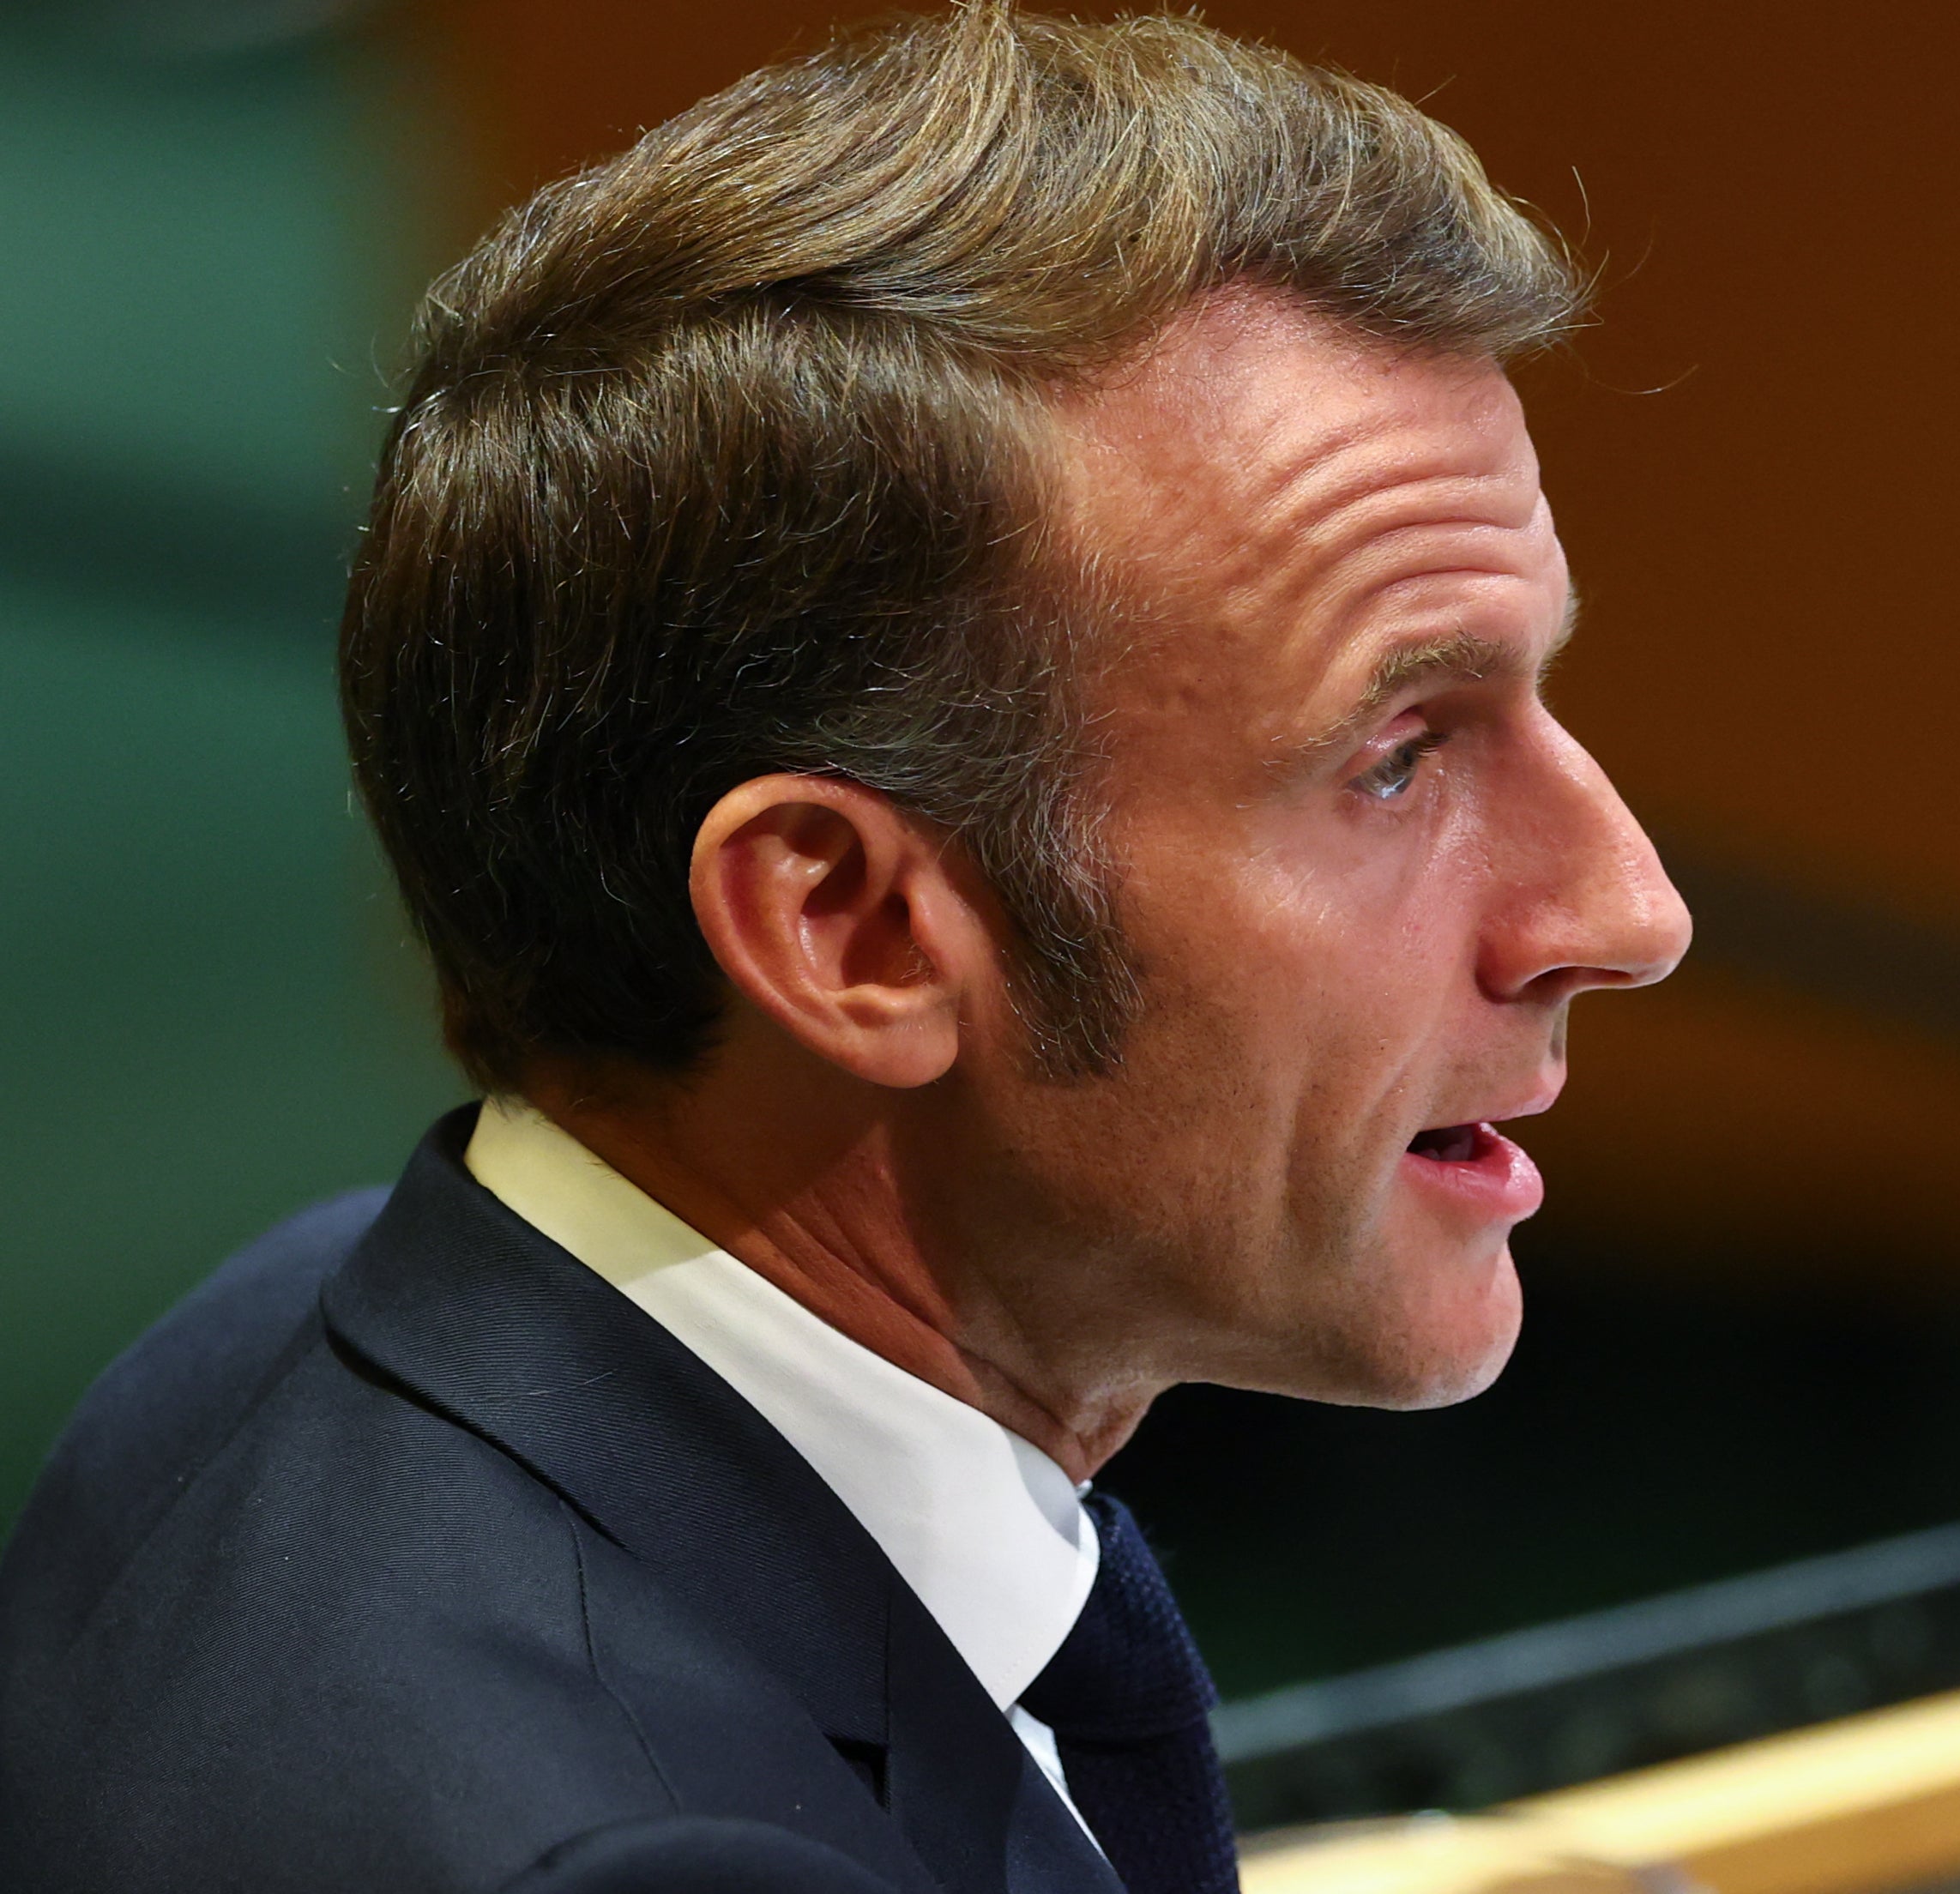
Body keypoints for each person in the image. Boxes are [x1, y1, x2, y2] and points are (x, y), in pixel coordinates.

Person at [0, 4, 1690, 1890]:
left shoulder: (290, 1339)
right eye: (1393, 762)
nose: (1622, 912)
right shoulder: (658, 1857)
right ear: (849, 928)